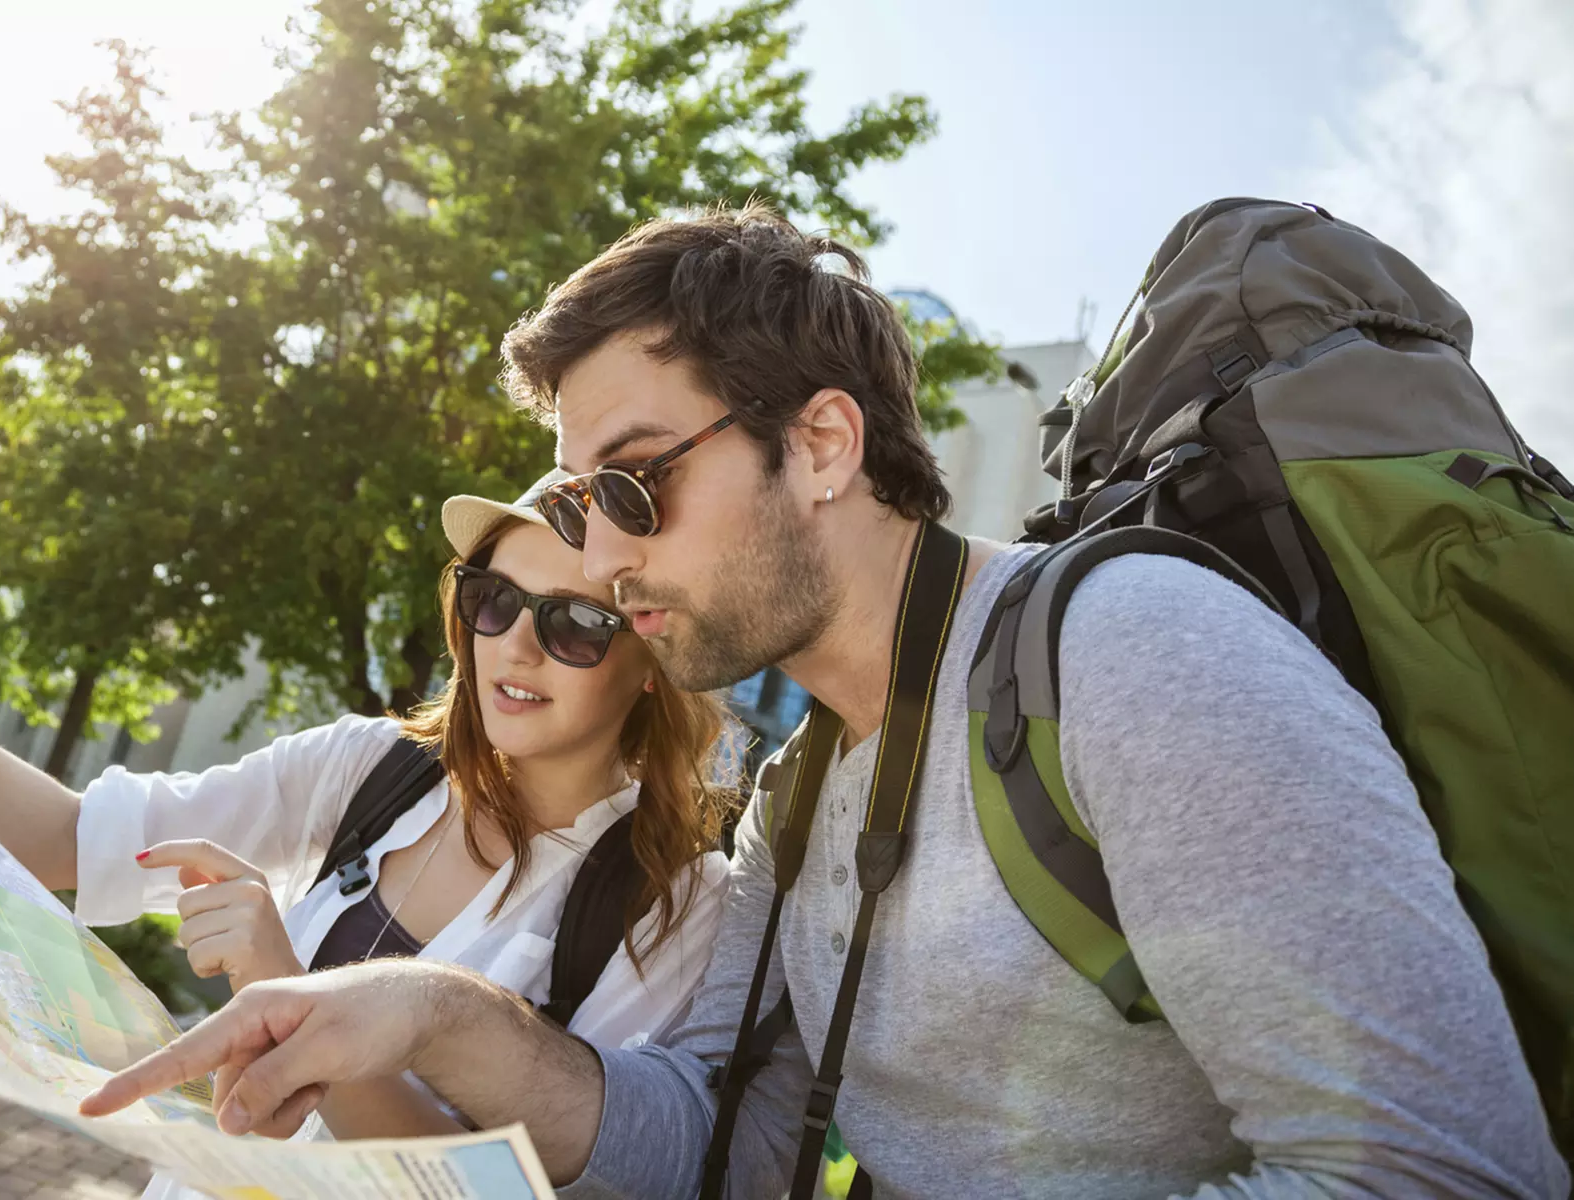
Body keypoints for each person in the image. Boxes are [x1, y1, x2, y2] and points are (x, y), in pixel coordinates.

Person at [79, 202, 1569, 1199]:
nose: (596, 556)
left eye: (629, 484)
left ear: (825, 443)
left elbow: (1440, 1170)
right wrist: (432, 1014)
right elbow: (719, 1139)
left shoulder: (1130, 656)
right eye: (571, 500)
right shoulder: (803, 791)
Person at [0, 479, 736, 1199]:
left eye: (575, 625)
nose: (517, 647)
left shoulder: (671, 899)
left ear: (652, 663)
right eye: (495, 601)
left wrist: (295, 1006)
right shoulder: (371, 766)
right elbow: (67, 839)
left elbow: (490, 1191)